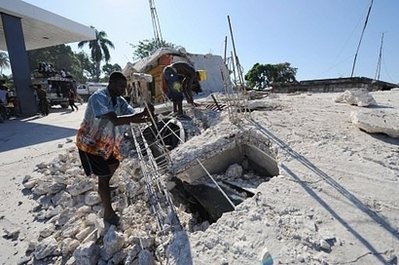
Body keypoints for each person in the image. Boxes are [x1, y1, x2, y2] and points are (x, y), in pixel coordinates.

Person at [76, 71, 154, 226]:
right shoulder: (99, 98)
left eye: (124, 87)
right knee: (104, 177)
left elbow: (132, 115)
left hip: (106, 144)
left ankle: (102, 183)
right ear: (110, 83)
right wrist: (142, 116)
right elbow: (115, 120)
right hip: (91, 143)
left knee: (114, 163)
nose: (123, 90)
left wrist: (146, 115)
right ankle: (108, 213)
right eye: (120, 86)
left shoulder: (119, 101)